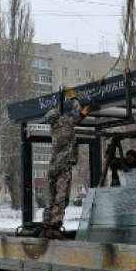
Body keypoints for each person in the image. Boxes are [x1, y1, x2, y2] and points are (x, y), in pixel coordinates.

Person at [42, 89, 91, 235]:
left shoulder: (53, 128)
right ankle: (55, 222)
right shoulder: (65, 123)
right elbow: (78, 114)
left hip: (53, 166)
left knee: (51, 196)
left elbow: (79, 116)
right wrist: (73, 97)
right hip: (63, 165)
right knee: (61, 195)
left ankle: (47, 222)